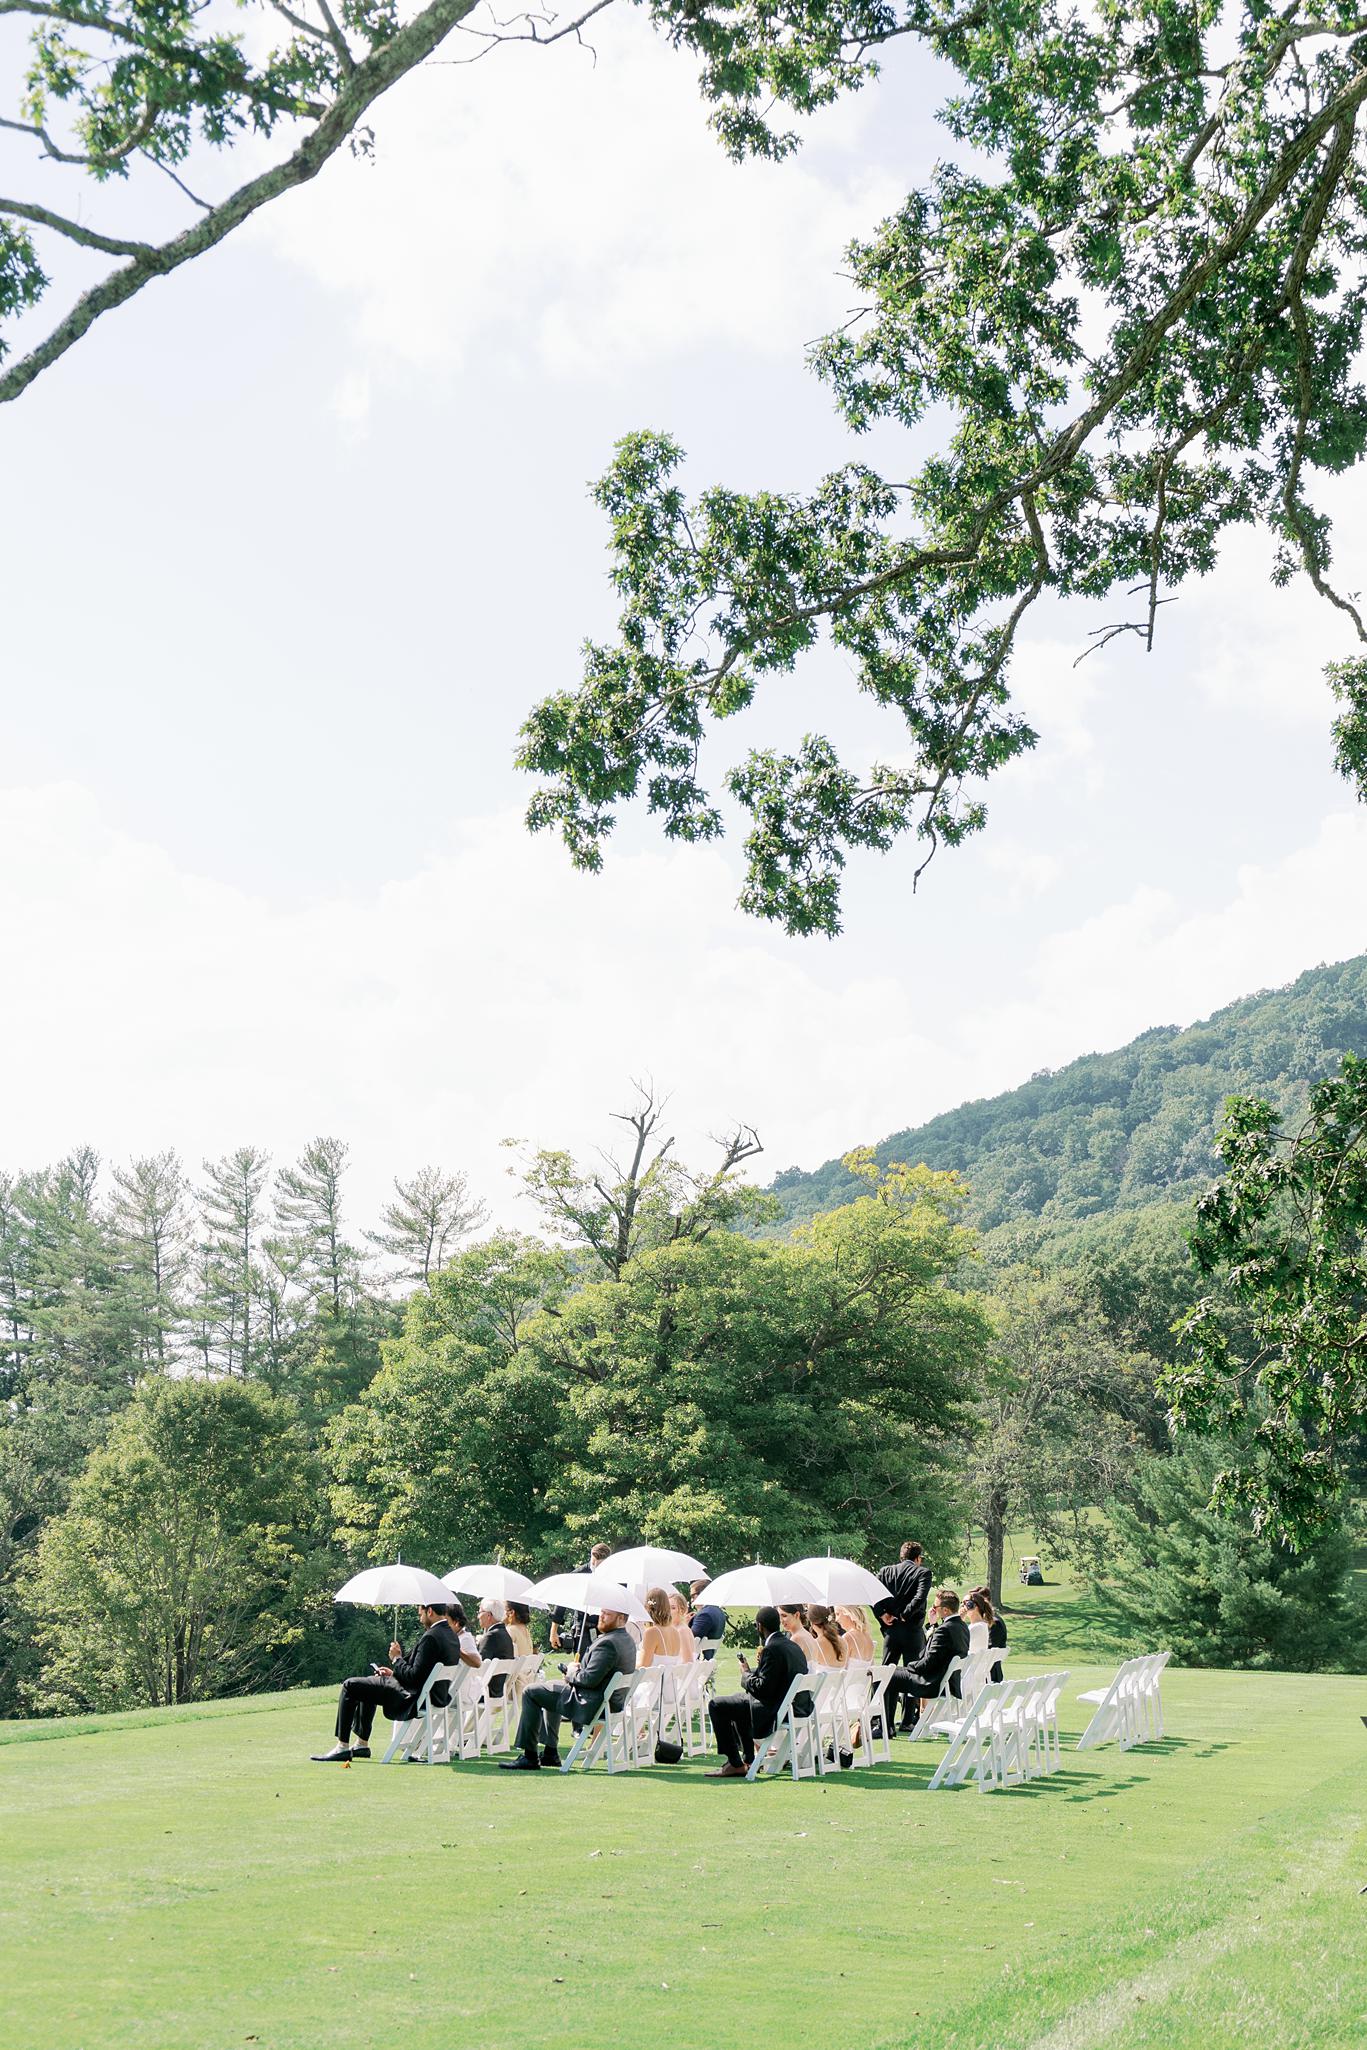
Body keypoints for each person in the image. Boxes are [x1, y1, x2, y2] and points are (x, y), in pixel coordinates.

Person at [311, 1600, 466, 1762]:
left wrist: (396, 1659)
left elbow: (414, 1677)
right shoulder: (451, 1635)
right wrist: (393, 1672)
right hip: (433, 1694)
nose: (420, 1619)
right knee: (371, 1683)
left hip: (411, 1695)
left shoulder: (431, 1637)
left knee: (349, 1685)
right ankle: (361, 1745)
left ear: (430, 1612)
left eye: (420, 1614)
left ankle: (342, 1746)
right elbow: (422, 1671)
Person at [499, 1605, 637, 1771]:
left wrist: (572, 1672)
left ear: (622, 1618)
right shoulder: (626, 1640)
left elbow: (588, 1680)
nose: (601, 1616)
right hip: (607, 1702)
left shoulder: (608, 1643)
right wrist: (575, 1671)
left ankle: (530, 1756)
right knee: (549, 1688)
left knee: (530, 1692)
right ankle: (550, 1753)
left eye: (607, 1614)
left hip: (590, 1703)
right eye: (602, 1612)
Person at [706, 1606, 812, 1779]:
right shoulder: (791, 1646)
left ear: (759, 1626)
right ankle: (747, 1758)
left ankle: (734, 1763)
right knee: (736, 1700)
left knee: (716, 1705)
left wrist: (745, 1674)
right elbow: (775, 1676)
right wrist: (753, 1671)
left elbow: (763, 1688)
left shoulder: (772, 1648)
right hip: (795, 1706)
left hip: (773, 1709)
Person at [883, 1589, 970, 1736]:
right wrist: (932, 1625)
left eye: (935, 1607)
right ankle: (889, 1725)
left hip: (931, 1682)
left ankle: (885, 1726)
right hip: (946, 1681)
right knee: (890, 1672)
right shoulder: (962, 1627)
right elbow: (936, 1653)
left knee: (885, 1674)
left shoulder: (945, 1630)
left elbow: (928, 1662)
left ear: (946, 1610)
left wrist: (909, 1666)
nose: (932, 1609)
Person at [875, 1541, 933, 1668]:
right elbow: (920, 1598)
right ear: (917, 1558)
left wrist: (882, 1613)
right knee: (913, 1671)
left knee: (885, 1671)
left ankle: (882, 1689)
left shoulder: (885, 1572)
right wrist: (904, 1615)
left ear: (901, 1557)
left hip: (891, 1629)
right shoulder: (923, 1573)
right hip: (912, 1629)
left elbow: (873, 1595)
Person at [549, 1541, 612, 1657]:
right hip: (583, 1626)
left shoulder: (613, 1576)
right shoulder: (579, 1574)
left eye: (600, 1565)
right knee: (582, 1663)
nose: (596, 1567)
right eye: (594, 1563)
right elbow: (562, 1600)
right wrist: (553, 1631)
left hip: (606, 1626)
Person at [639, 1586, 692, 1666]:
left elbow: (644, 1666)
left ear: (648, 1607)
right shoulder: (675, 1631)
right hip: (669, 1678)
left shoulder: (652, 1632)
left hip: (654, 1678)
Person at [477, 1598, 516, 1696]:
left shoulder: (490, 1636)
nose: (478, 1616)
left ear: (489, 1615)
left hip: (485, 1692)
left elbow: (477, 1668)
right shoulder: (505, 1634)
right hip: (499, 1691)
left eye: (480, 1612)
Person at [969, 1585, 1008, 1682]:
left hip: (989, 1673)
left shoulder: (994, 1623)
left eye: (971, 1603)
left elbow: (989, 1650)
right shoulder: (982, 1622)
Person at [689, 1578, 727, 1658]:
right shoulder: (719, 1612)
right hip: (707, 1661)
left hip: (696, 1662)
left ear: (703, 1594)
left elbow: (689, 1640)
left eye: (693, 1596)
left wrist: (684, 1624)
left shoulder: (705, 1615)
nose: (691, 1600)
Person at [666, 1590, 697, 1659]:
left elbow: (688, 1661)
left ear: (681, 1610)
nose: (668, 1611)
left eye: (673, 1608)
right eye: (666, 1607)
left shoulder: (681, 1630)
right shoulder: (674, 1628)